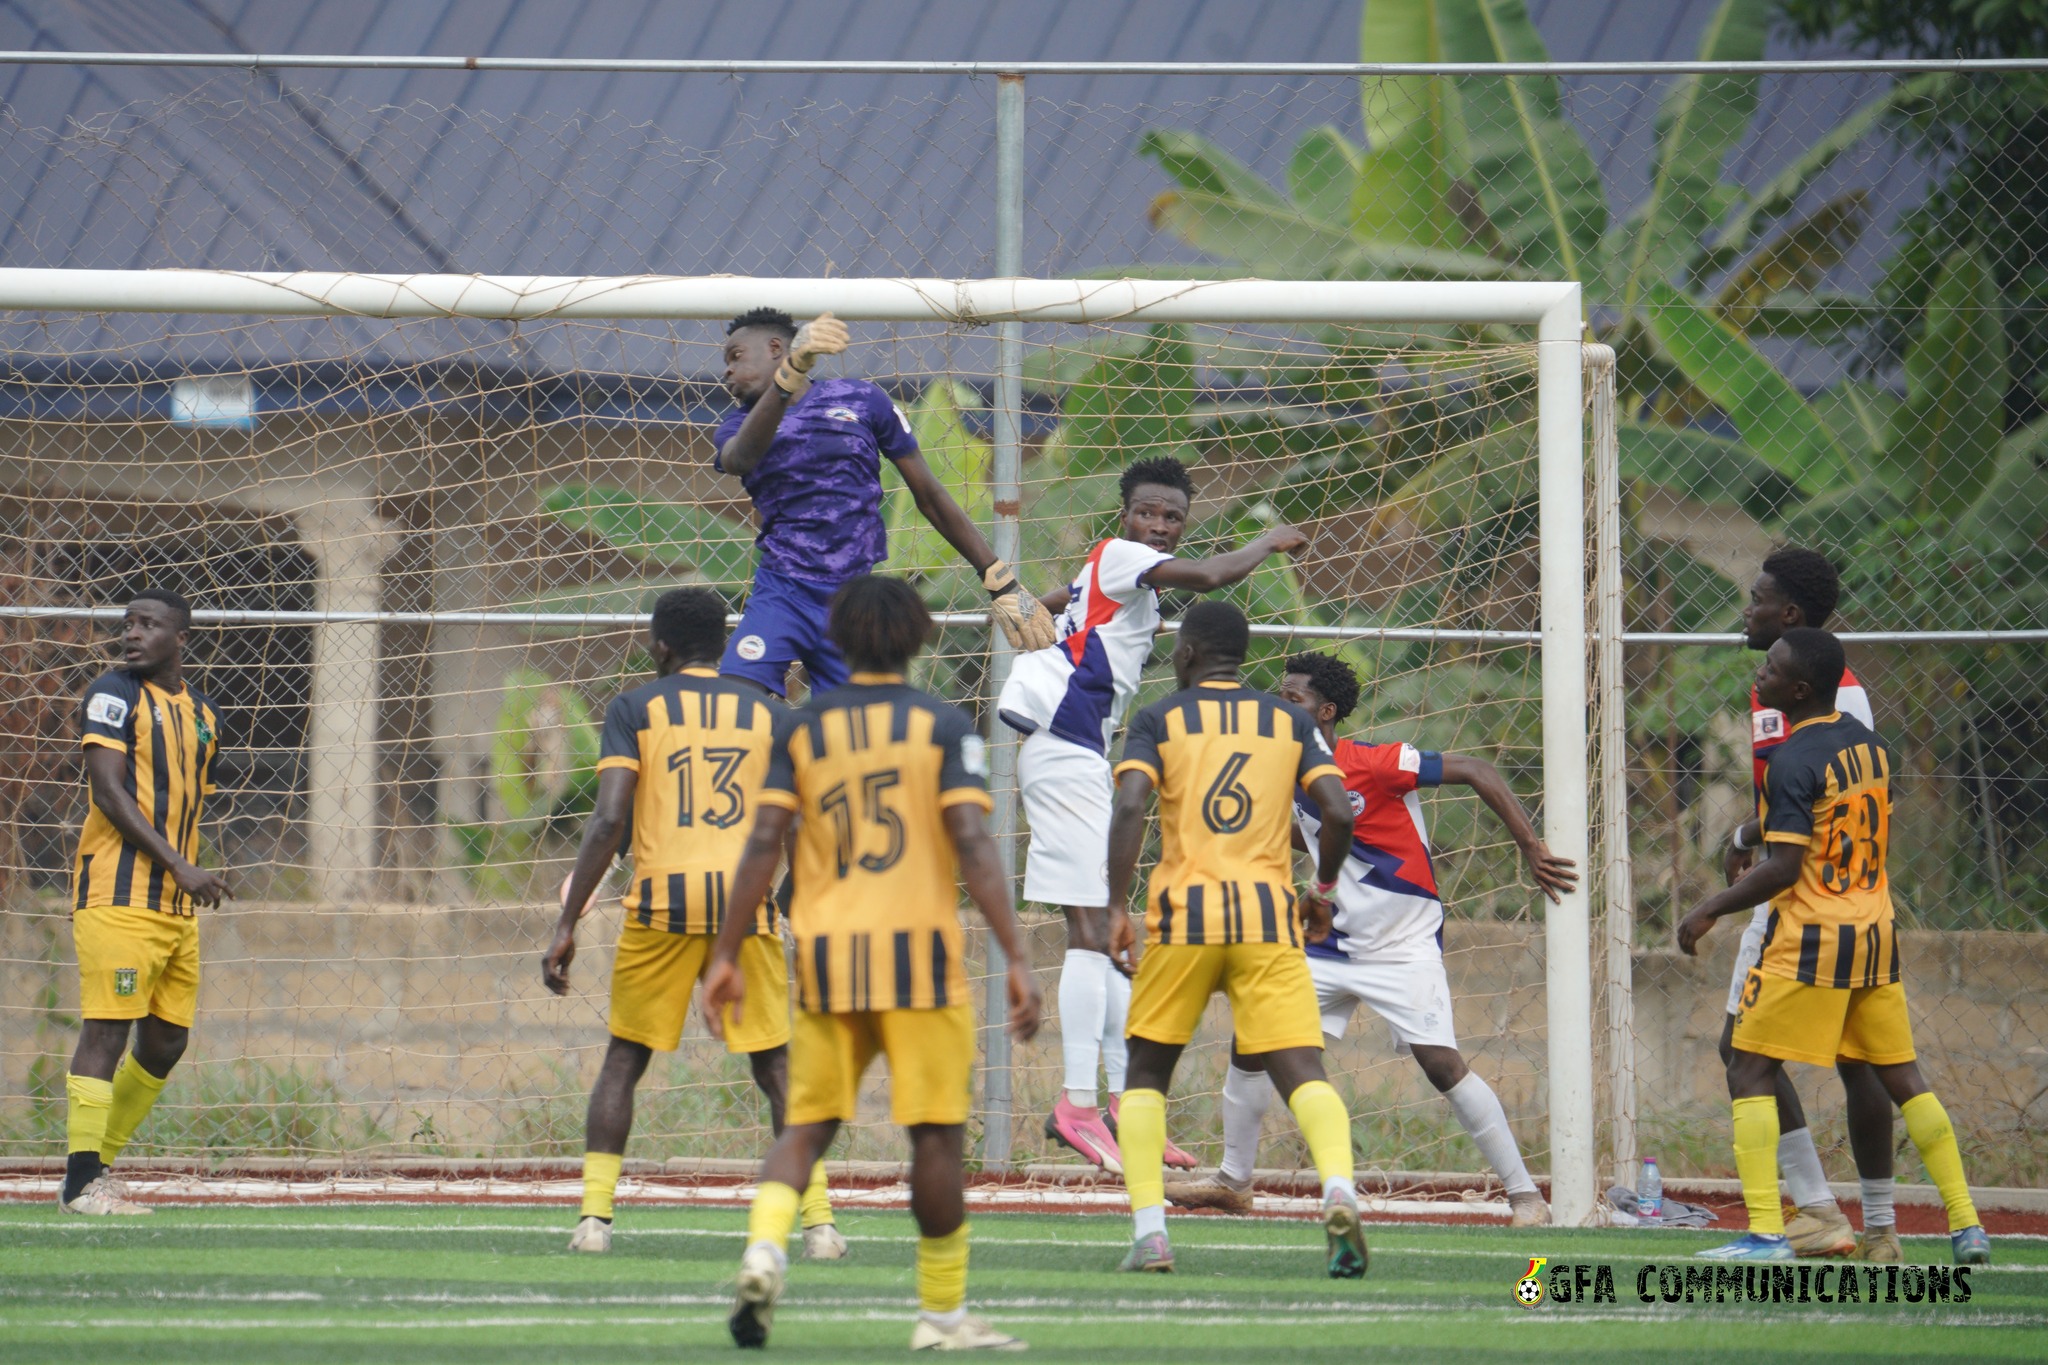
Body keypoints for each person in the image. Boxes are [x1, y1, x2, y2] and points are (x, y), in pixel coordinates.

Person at [705, 575, 1043, 1351]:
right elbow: (973, 843)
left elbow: (762, 844)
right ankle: (943, 1316)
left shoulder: (802, 727)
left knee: (807, 1124)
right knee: (934, 1138)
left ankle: (763, 1251)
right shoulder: (943, 723)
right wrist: (1018, 955)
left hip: (828, 957)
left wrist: (726, 953)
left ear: (839, 638)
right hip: (920, 958)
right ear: (919, 637)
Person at [1166, 651, 1576, 1227]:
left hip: (1401, 944)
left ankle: (1526, 1196)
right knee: (1253, 1039)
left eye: (1294, 699)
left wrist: (1530, 847)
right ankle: (1234, 1181)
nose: (1282, 707)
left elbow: (1479, 771)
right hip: (1328, 943)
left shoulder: (1377, 763)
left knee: (1441, 1065)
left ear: (1325, 710)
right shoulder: (1281, 770)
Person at [996, 454, 1306, 1173]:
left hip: (1079, 749)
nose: (1161, 526)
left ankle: (1119, 1105)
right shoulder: (1123, 557)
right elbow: (1210, 577)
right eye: (1149, 512)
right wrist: (1269, 540)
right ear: (1125, 515)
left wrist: (1033, 605)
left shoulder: (1109, 574)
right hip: (1062, 744)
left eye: (1173, 517)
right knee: (1087, 926)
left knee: (1107, 934)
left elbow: (1064, 596)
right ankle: (1076, 1105)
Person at [542, 588, 839, 1258]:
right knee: (776, 1065)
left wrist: (567, 921)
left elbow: (609, 817)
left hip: (660, 904)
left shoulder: (633, 708)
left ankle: (594, 1220)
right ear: (726, 645)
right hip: (746, 903)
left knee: (626, 1058)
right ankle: (819, 1224)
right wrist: (788, 900)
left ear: (661, 646)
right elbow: (799, 821)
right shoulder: (773, 712)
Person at [1680, 628, 1990, 1267]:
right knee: (1903, 1076)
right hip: (1875, 933)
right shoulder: (1874, 750)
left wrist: (1708, 907)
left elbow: (1785, 866)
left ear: (1798, 689)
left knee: (1748, 1065)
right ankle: (1965, 1225)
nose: (1759, 674)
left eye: (1771, 669)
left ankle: (1767, 1234)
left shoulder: (1794, 758)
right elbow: (1831, 817)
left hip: (1811, 938)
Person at [1104, 601, 1368, 1277]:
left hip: (1182, 919)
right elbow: (1337, 810)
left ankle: (1150, 1233)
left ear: (1188, 653)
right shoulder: (1291, 718)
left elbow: (1131, 804)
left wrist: (1114, 906)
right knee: (1303, 1071)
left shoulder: (1159, 717)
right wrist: (1323, 892)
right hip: (1267, 919)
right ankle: (1338, 1188)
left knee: (1146, 1072)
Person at [712, 307, 1054, 697]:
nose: (727, 372)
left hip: (852, 604)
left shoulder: (860, 399)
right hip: (782, 591)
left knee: (855, 730)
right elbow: (741, 458)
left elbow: (930, 494)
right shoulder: (737, 428)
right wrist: (789, 373)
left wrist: (1000, 581)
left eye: (734, 356)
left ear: (775, 347)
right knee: (735, 702)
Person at [1720, 547, 1893, 1260]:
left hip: (1811, 898)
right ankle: (1843, 1219)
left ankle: (1840, 1217)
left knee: (1755, 1052)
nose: (1747, 608)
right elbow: (1796, 795)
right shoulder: (1782, 687)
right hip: (1802, 887)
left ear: (1788, 613)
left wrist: (1723, 898)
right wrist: (1747, 830)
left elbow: (1853, 796)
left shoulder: (1837, 695)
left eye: (1757, 597)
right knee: (1844, 1059)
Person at [61, 588, 229, 1215]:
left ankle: (94, 1168)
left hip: (175, 907)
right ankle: (82, 1183)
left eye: (148, 624)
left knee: (165, 1043)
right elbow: (108, 791)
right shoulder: (112, 693)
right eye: (127, 623)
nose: (132, 633)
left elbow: (183, 797)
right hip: (117, 893)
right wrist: (181, 865)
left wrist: (187, 871)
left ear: (180, 637)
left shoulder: (205, 715)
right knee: (107, 1030)